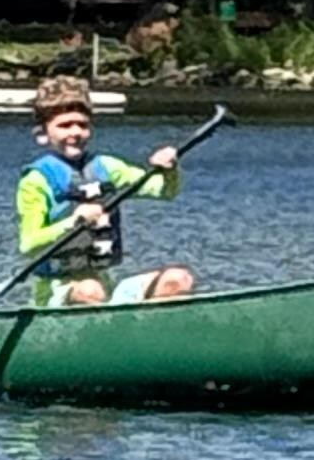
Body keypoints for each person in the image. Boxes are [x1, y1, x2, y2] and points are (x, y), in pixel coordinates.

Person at [17, 76, 195, 308]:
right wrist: (74, 222)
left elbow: (164, 191)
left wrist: (170, 170)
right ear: (43, 133)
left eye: (82, 124)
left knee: (178, 279)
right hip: (55, 292)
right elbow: (28, 245)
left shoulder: (107, 167)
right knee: (91, 291)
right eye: (64, 125)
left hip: (104, 287)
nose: (75, 132)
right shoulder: (36, 181)